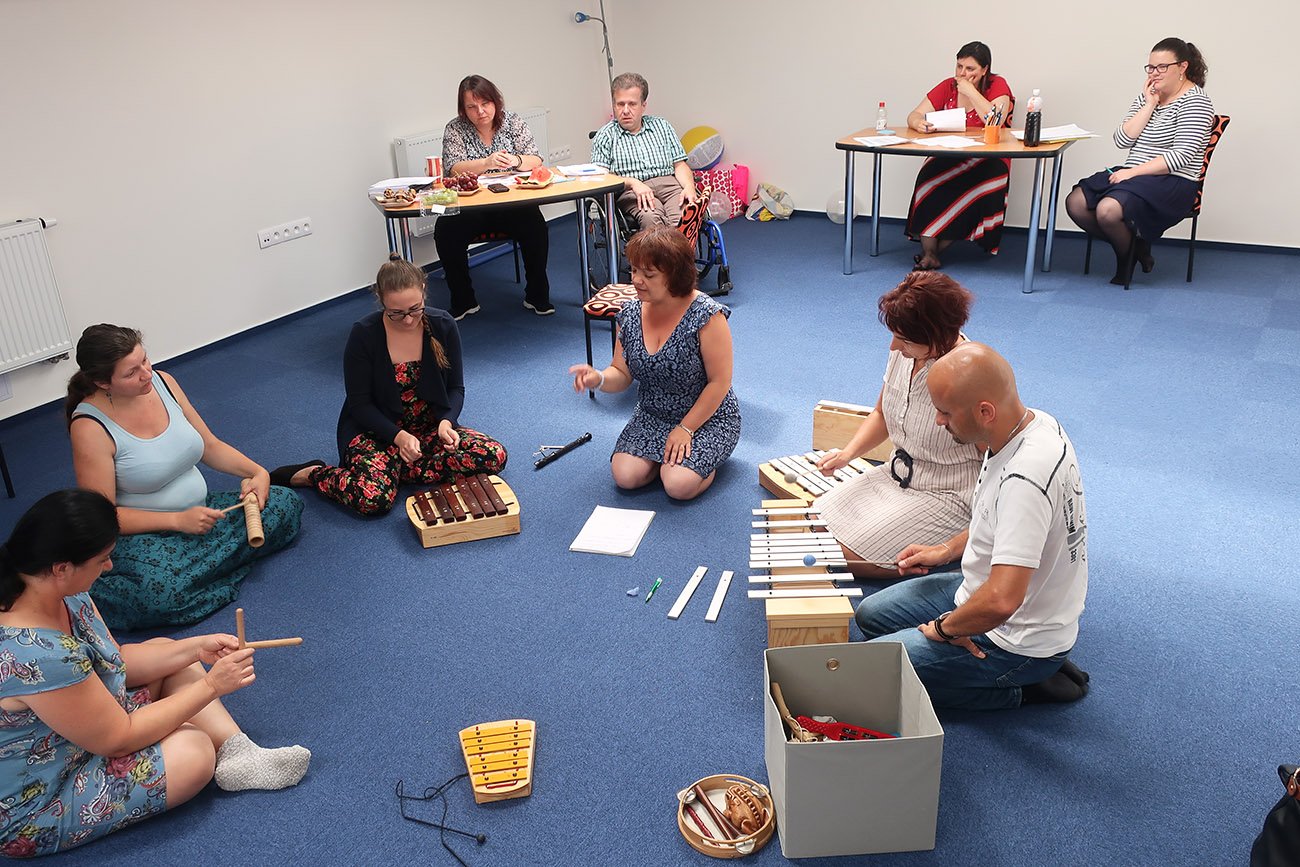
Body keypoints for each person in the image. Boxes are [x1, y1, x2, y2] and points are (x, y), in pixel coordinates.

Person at [0, 489, 310, 857]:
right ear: (62, 567)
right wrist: (212, 685)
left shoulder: (60, 590)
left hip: (84, 725)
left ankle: (239, 753)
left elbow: (115, 661)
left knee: (170, 651)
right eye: (102, 560)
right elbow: (118, 738)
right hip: (44, 798)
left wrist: (196, 648)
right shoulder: (39, 655)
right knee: (194, 750)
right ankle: (219, 749)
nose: (109, 567)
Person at [854, 343, 1090, 711]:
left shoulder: (1025, 479)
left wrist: (946, 628)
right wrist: (945, 550)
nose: (938, 421)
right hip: (988, 589)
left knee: (868, 674)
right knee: (870, 616)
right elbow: (997, 520)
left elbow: (1002, 600)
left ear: (984, 412)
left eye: (945, 412)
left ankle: (1024, 686)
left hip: (1014, 637)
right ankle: (1016, 665)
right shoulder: (1035, 424)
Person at [66, 325, 302, 630]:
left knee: (285, 503)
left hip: (202, 515)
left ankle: (199, 570)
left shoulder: (164, 382)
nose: (147, 374)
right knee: (159, 594)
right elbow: (102, 517)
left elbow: (210, 446)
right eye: (131, 373)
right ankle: (209, 565)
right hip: (146, 535)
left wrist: (257, 472)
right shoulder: (89, 427)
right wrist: (177, 521)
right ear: (102, 382)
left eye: (144, 360)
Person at [271, 255, 506, 516]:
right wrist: (399, 437)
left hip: (427, 430)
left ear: (424, 291)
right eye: (396, 313)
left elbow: (456, 388)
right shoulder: (364, 334)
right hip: (377, 433)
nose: (408, 320)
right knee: (374, 500)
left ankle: (394, 470)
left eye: (415, 309)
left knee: (493, 455)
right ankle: (313, 474)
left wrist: (446, 422)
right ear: (381, 300)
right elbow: (360, 405)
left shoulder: (443, 325)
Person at [814, 272, 982, 579]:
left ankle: (942, 555)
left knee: (847, 556)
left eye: (903, 340)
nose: (893, 347)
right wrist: (847, 455)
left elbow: (997, 460)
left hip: (947, 495)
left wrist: (970, 536)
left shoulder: (970, 376)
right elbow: (882, 413)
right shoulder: (907, 352)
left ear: (937, 336)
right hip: (896, 474)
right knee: (816, 521)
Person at [569, 227, 739, 500]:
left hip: (706, 416)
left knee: (678, 486)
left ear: (675, 275)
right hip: (653, 413)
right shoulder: (630, 313)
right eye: (634, 270)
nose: (637, 280)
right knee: (625, 476)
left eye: (648, 275)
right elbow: (621, 373)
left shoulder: (707, 314)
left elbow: (720, 382)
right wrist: (598, 379)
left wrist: (686, 429)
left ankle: (699, 462)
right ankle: (669, 461)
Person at [1066, 37, 1214, 285]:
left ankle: (1125, 260)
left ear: (1183, 67)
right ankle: (1136, 247)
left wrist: (1132, 173)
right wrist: (1150, 104)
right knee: (1076, 202)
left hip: (1172, 180)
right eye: (1151, 67)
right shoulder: (1147, 97)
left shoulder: (1196, 102)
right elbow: (1122, 139)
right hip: (1134, 174)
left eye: (1162, 67)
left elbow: (1182, 156)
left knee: (1107, 210)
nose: (1154, 73)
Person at [435, 74, 552, 319]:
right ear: (463, 109)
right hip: (471, 207)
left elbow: (536, 159)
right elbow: (454, 167)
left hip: (510, 204)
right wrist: (486, 163)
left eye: (485, 103)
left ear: (496, 101)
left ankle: (537, 295)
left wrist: (516, 160)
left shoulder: (513, 121)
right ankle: (463, 300)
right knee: (445, 230)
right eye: (471, 107)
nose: (480, 111)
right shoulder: (455, 128)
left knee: (535, 225)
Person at [904, 42, 1015, 272]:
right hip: (951, 152)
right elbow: (914, 114)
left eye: (970, 69)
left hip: (989, 157)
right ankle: (930, 254)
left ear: (984, 69)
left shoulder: (997, 85)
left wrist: (971, 92)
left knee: (979, 189)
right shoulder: (948, 85)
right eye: (959, 66)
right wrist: (918, 123)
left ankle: (932, 254)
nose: (962, 73)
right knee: (927, 180)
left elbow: (994, 121)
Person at [590, 72, 698, 232]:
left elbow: (679, 165)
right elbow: (602, 178)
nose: (625, 110)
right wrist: (633, 183)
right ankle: (659, 249)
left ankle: (677, 249)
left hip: (669, 185)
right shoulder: (605, 135)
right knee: (651, 218)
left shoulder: (662, 126)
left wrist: (689, 186)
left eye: (632, 104)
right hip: (632, 191)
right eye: (620, 104)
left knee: (685, 216)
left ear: (643, 105)